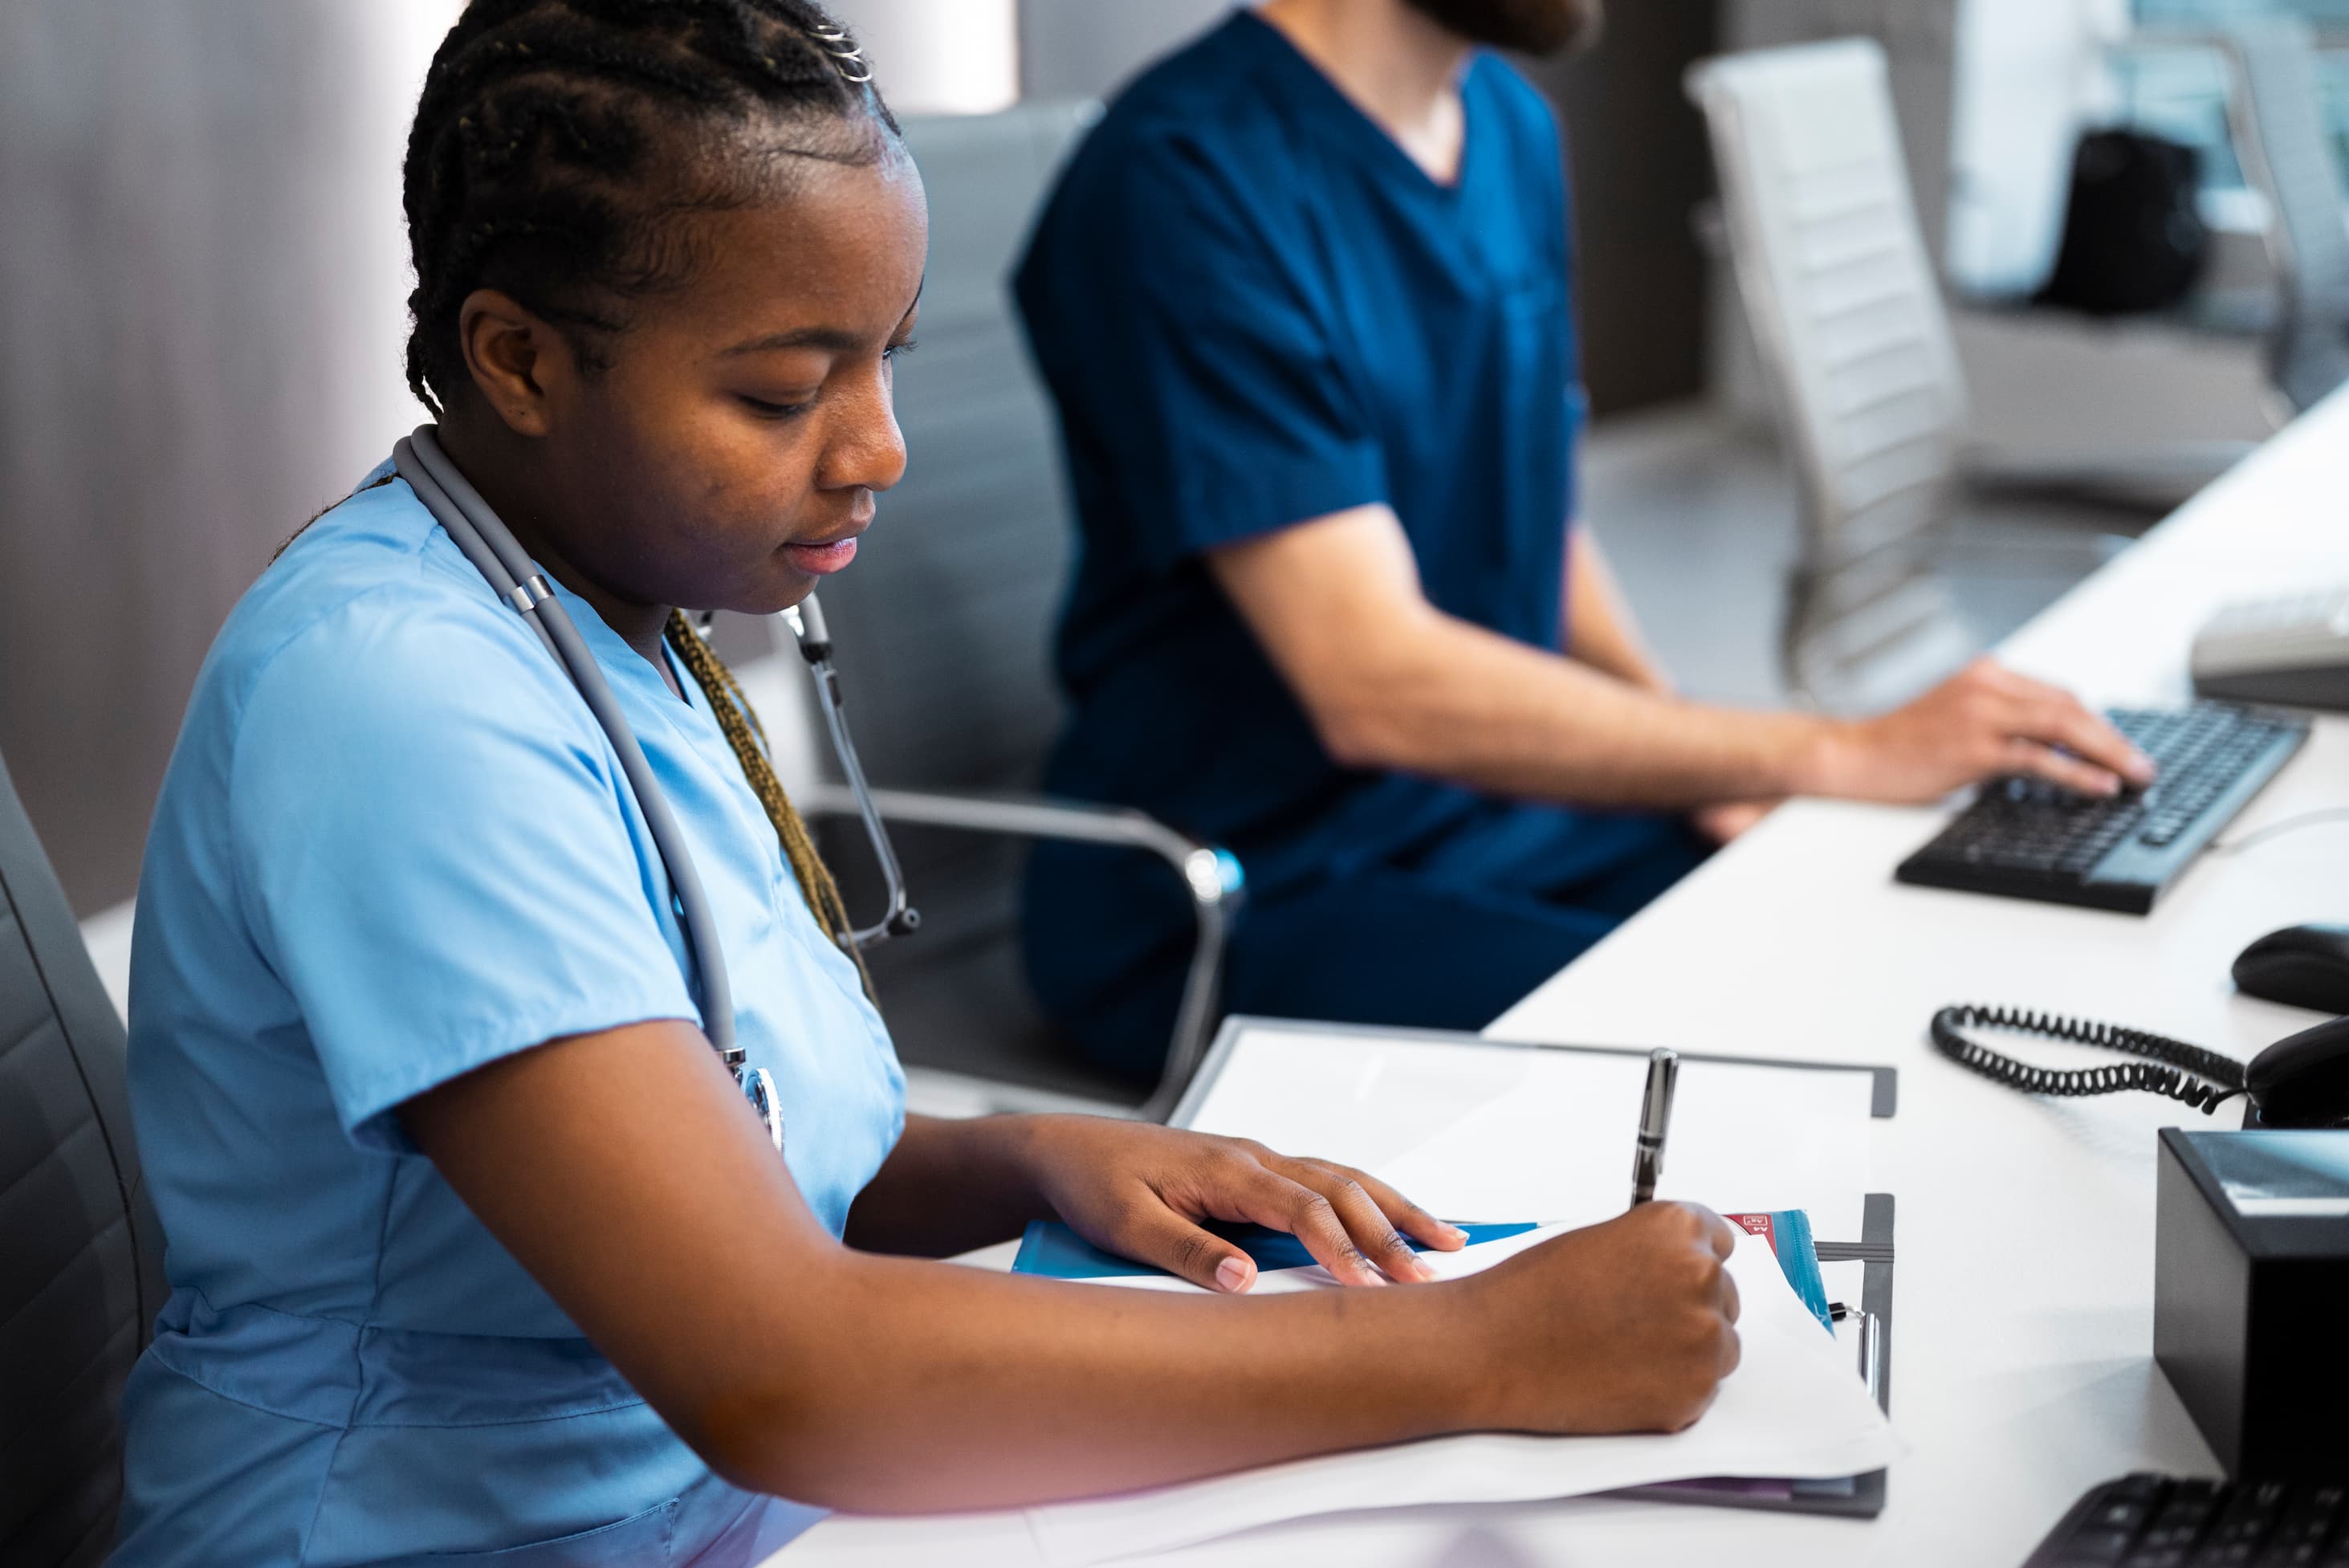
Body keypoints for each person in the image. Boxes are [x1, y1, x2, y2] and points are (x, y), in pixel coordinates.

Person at [109, 5, 1747, 1563]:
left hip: (714, 1501)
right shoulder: (403, 699)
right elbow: (782, 1370)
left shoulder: (612, 616)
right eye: (780, 389)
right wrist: (1466, 1349)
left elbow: (730, 1139)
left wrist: (1026, 1155)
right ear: (520, 360)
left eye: (886, 359)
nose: (877, 445)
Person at [1013, 0, 2157, 1081]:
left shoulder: (1506, 125)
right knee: (1762, 1040)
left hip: (1498, 810)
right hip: (1243, 888)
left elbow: (1530, 516)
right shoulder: (1185, 178)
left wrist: (1693, 760)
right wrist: (1827, 748)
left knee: (1868, 916)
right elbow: (1376, 686)